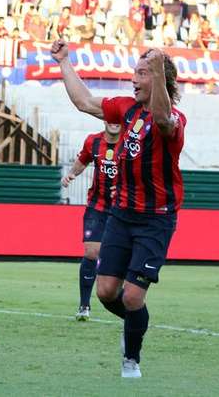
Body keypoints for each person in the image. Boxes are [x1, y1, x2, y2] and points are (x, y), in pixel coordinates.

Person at [50, 39, 186, 379]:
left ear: (160, 79)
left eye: (142, 73)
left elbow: (162, 117)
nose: (134, 79)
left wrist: (158, 70)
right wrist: (64, 61)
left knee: (132, 297)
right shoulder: (125, 108)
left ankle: (131, 360)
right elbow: (84, 102)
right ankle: (138, 324)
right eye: (135, 73)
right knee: (107, 292)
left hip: (155, 220)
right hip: (121, 215)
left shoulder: (173, 119)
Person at [61, 122, 121, 321]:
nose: (114, 122)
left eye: (117, 118)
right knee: (91, 252)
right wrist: (72, 174)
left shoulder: (132, 142)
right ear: (104, 120)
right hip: (98, 206)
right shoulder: (93, 141)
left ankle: (125, 301)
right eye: (110, 118)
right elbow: (83, 159)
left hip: (125, 208)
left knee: (121, 257)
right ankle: (84, 305)